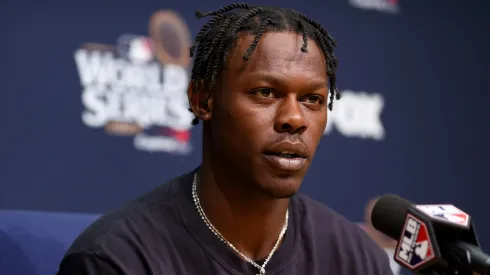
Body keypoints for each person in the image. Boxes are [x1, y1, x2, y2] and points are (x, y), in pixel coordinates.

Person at [57, 3, 394, 275]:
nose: (294, 118)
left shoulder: (358, 259)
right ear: (203, 100)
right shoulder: (118, 259)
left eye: (312, 100)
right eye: (266, 92)